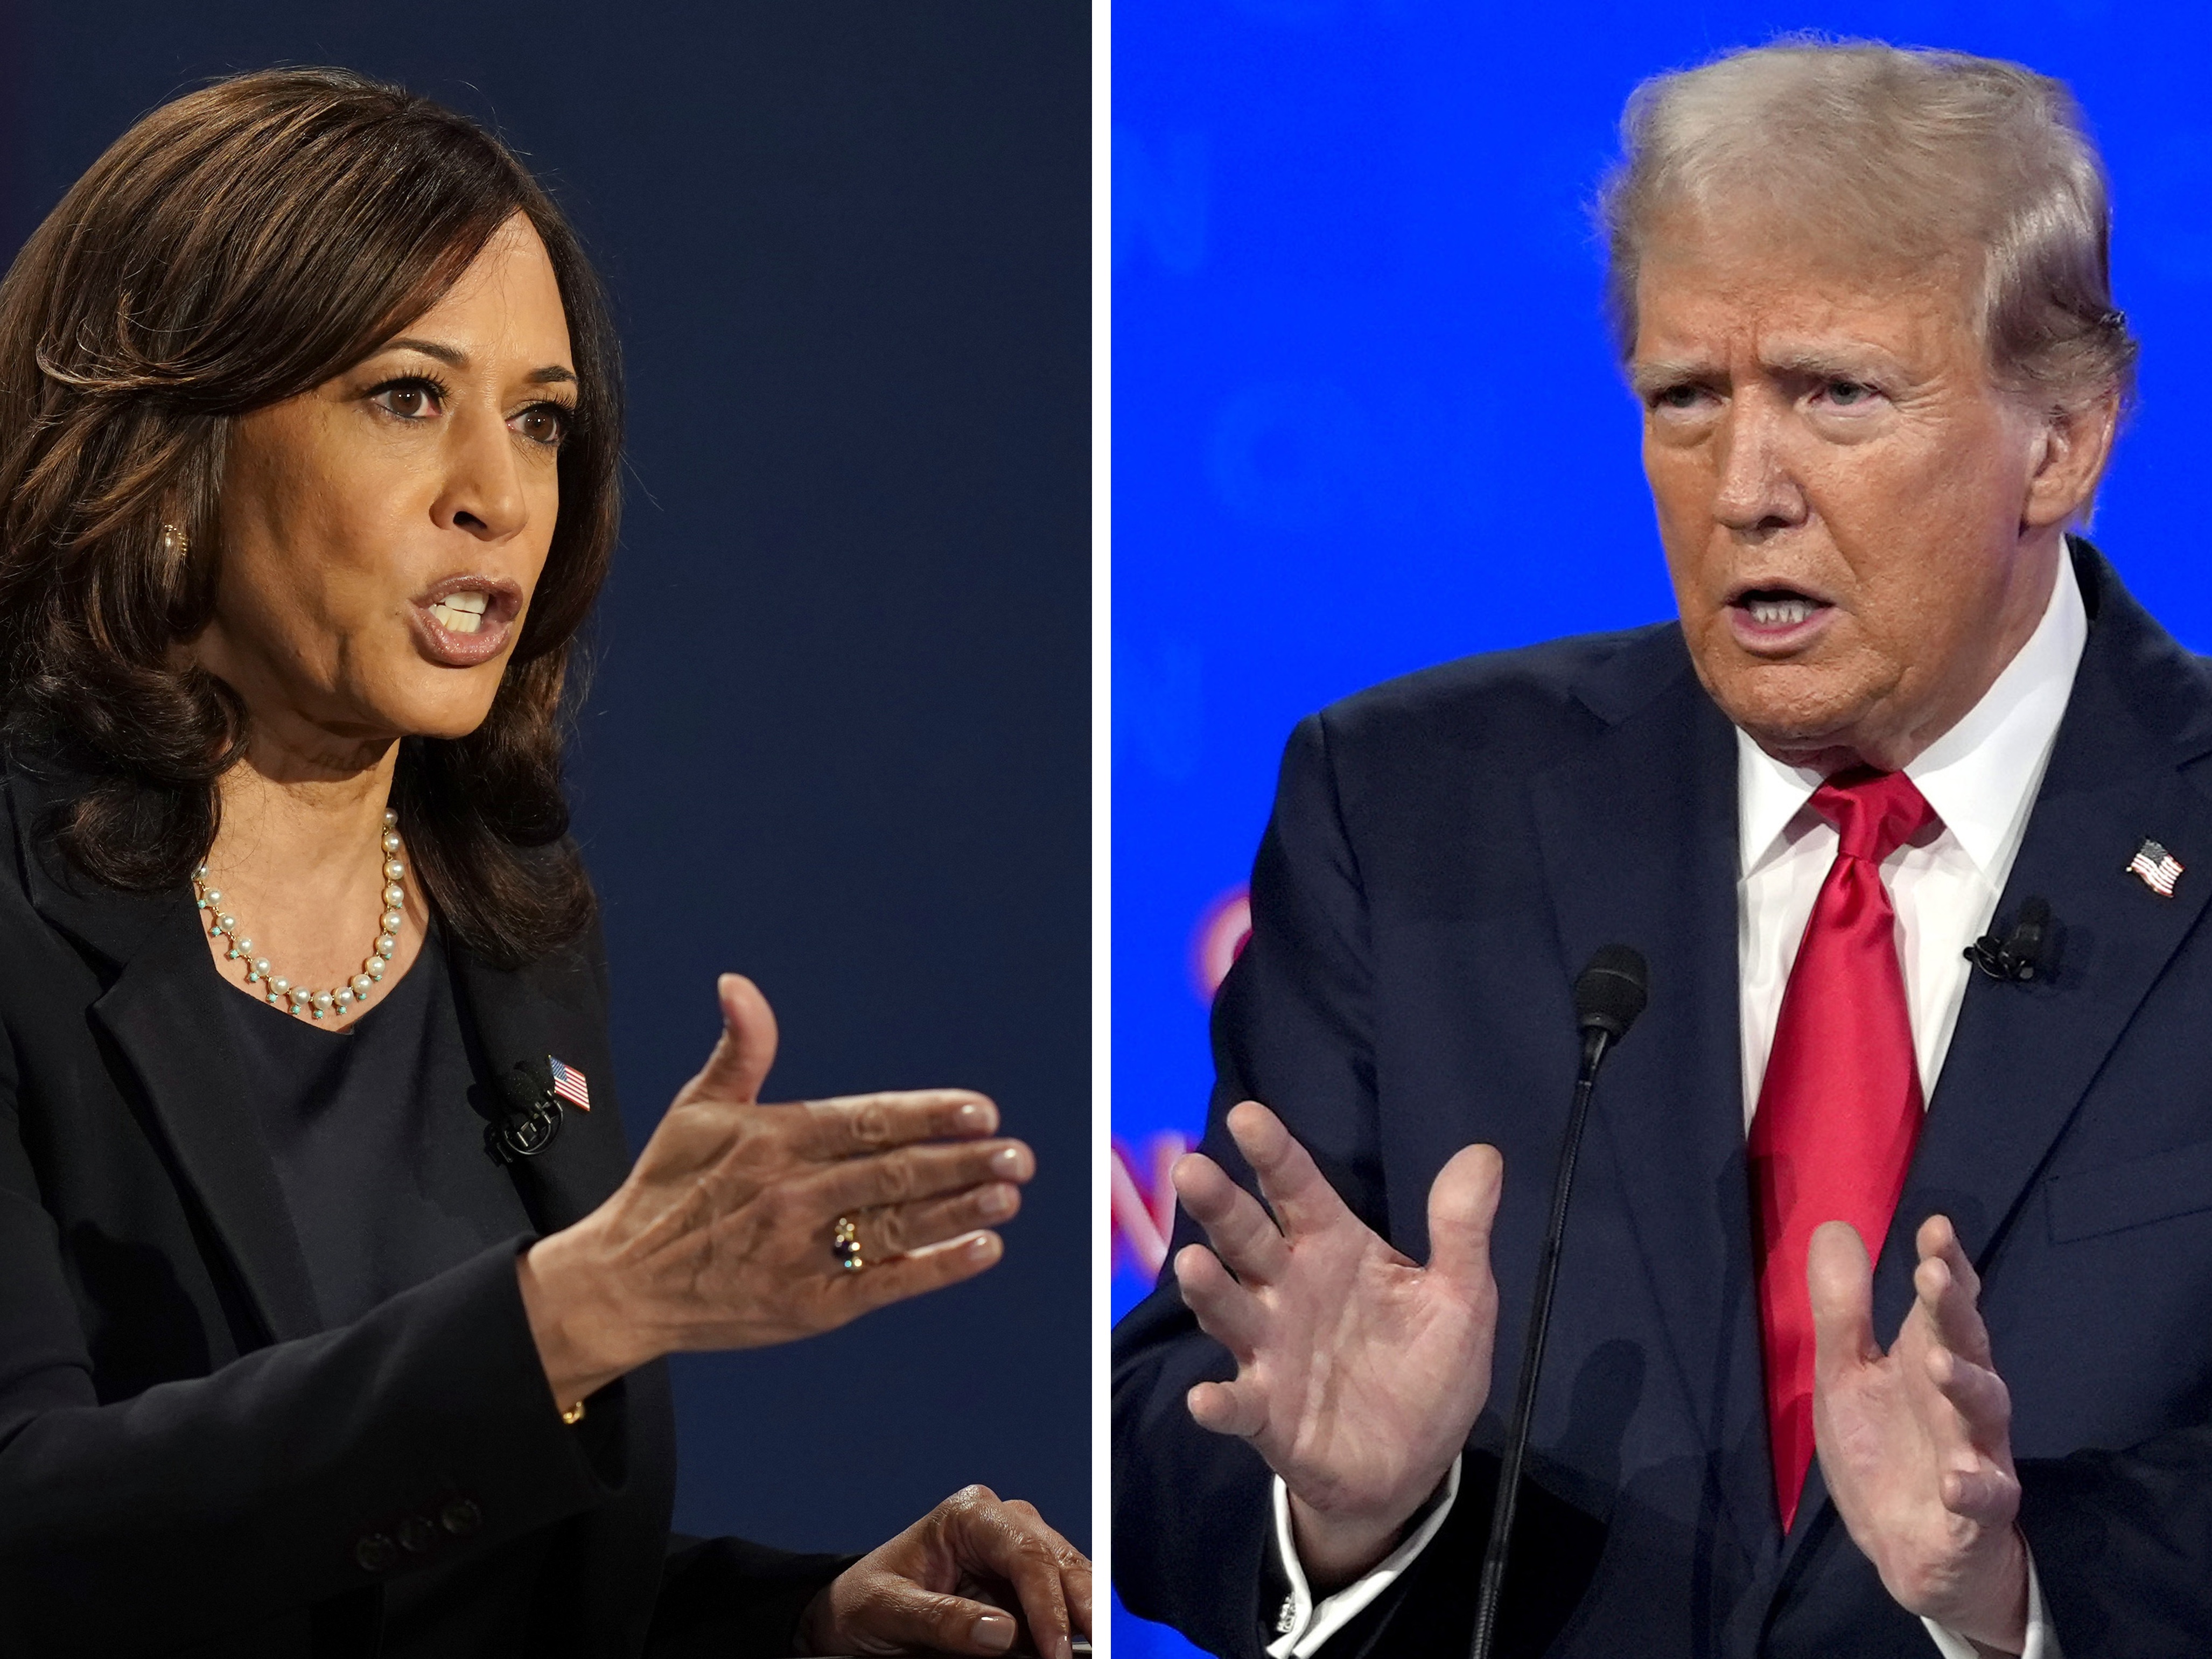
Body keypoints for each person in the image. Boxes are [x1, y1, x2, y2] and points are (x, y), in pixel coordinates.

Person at [1113, 39, 2211, 1659]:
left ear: (2060, 437)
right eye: (1685, 398)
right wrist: (1340, 1508)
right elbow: (1174, 1422)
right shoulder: (1404, 802)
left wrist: (2023, 1593)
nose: (1742, 489)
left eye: (1834, 392)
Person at [0, 69, 1088, 1658]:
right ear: (174, 448)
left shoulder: (503, 923)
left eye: (540, 420)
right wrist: (572, 1315)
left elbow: (458, 1567)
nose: (499, 499)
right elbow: (33, 1533)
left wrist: (803, 1620)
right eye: (403, 395)